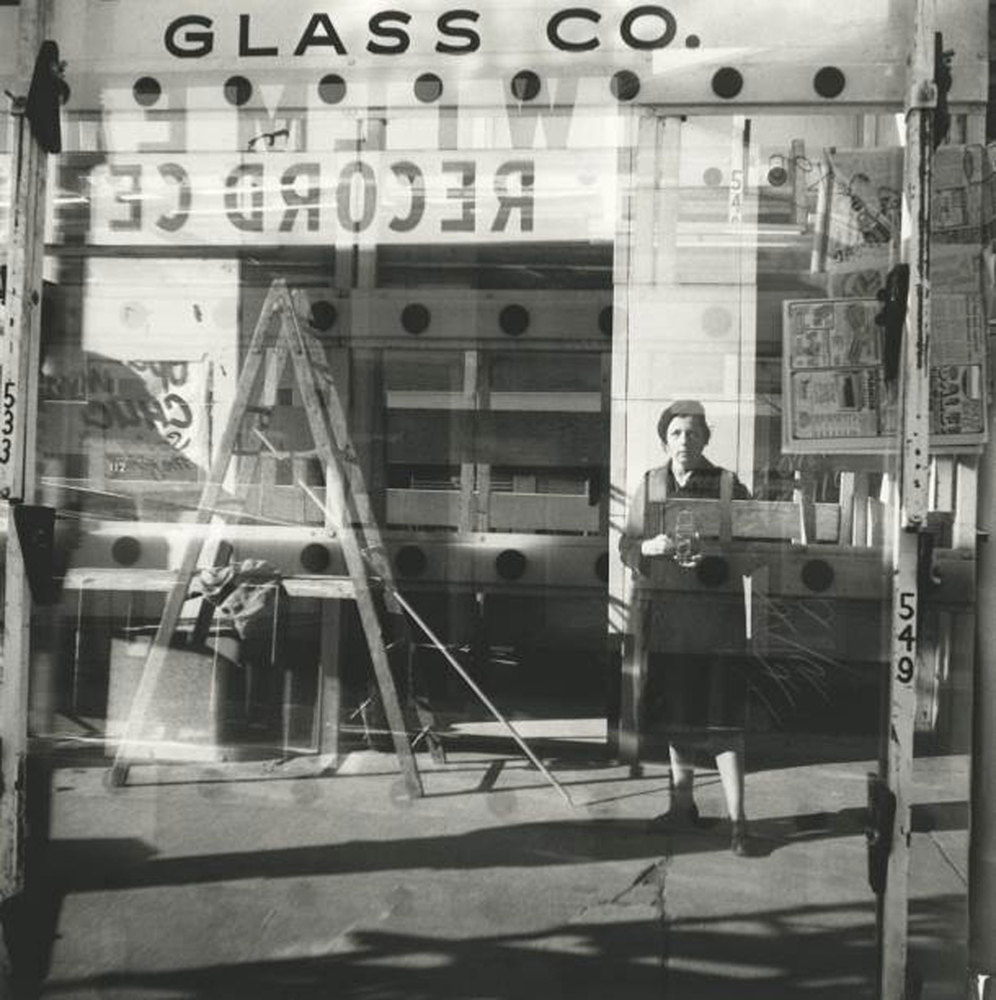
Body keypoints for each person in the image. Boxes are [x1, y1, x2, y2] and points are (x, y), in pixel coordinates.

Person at [619, 399, 752, 856]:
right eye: (676, 433)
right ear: (664, 440)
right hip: (668, 620)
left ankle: (739, 822)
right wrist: (649, 547)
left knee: (721, 723)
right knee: (678, 719)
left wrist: (716, 558)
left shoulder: (729, 485)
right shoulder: (650, 483)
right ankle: (682, 808)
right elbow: (625, 545)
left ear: (706, 439)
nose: (684, 441)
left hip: (716, 624)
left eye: (693, 433)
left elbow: (757, 551)